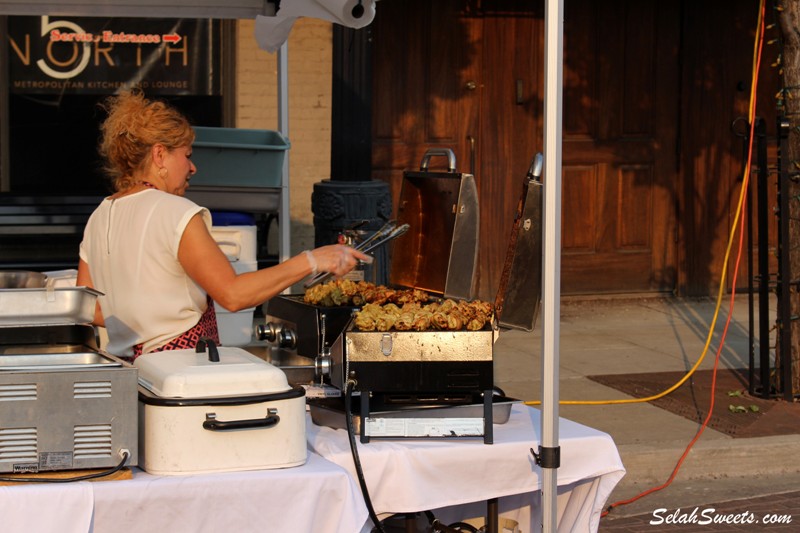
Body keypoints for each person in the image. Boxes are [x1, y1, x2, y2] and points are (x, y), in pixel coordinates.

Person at [77, 90, 368, 360]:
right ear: (159, 154)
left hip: (128, 372)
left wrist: (146, 315)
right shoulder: (175, 211)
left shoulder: (100, 215)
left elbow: (90, 308)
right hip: (179, 373)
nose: (193, 168)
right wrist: (312, 260)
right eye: (187, 155)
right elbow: (233, 294)